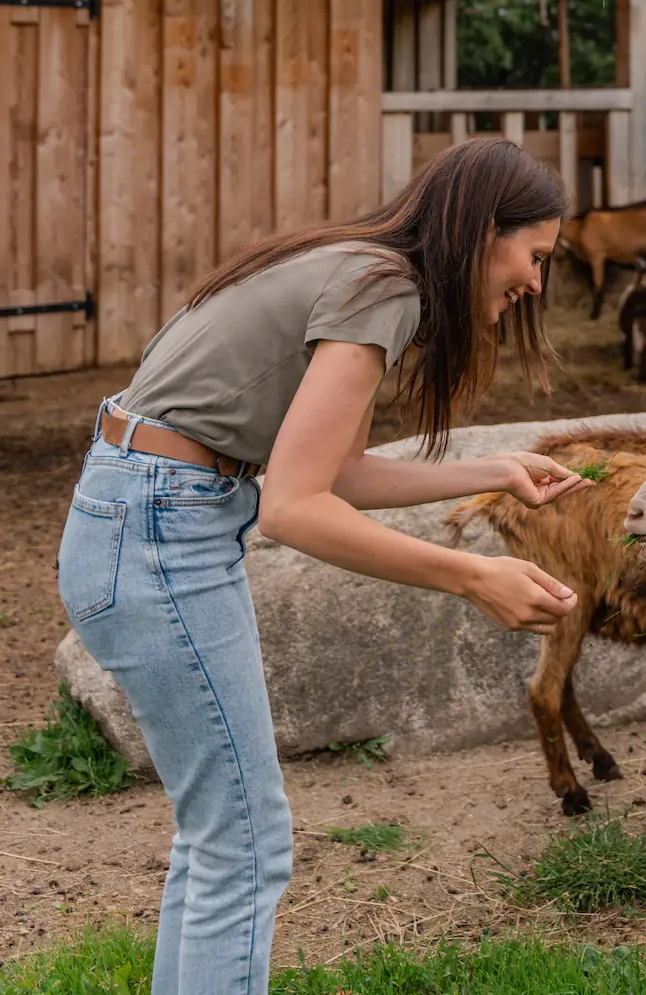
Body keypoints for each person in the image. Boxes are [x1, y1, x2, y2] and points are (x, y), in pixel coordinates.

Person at [57, 136, 588, 995]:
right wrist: (472, 576)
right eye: (533, 257)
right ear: (484, 232)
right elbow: (296, 508)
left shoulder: (355, 267)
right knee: (245, 840)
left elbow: (329, 472)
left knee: (221, 836)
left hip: (142, 515)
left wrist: (494, 471)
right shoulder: (386, 290)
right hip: (161, 530)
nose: (535, 282)